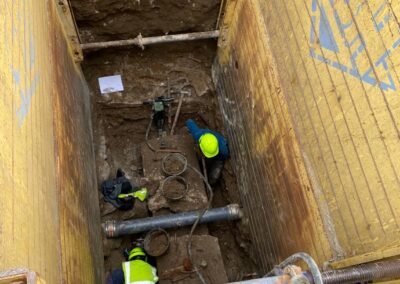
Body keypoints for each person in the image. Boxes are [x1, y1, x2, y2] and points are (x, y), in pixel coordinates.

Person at [185, 119, 229, 185]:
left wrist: (219, 160)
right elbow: (189, 122)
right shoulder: (197, 134)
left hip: (219, 157)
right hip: (205, 136)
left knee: (214, 177)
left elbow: (225, 156)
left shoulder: (223, 149)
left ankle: (210, 184)